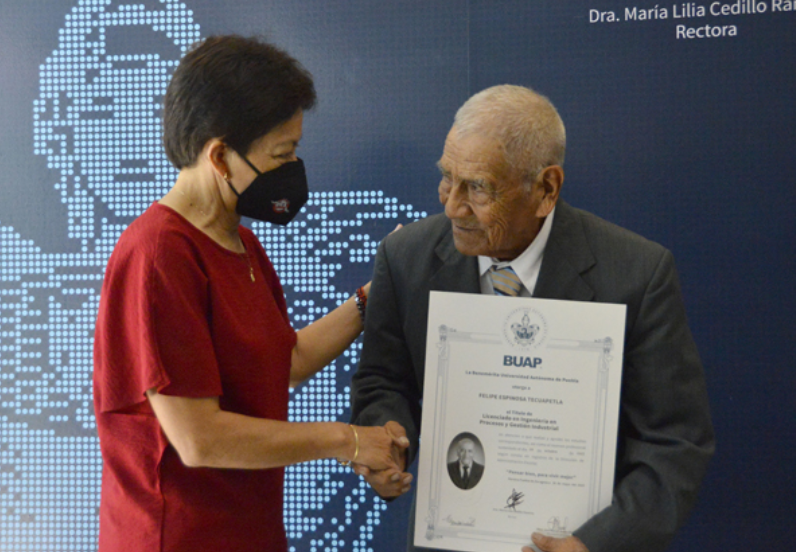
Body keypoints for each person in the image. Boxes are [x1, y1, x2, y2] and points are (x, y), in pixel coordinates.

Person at [350, 85, 715, 552]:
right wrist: (389, 442)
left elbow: (675, 444)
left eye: (478, 187)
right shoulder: (404, 257)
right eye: (447, 178)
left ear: (546, 189)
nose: (452, 205)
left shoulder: (637, 274)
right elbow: (382, 381)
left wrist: (594, 545)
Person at [92, 35, 404, 552]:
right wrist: (345, 440)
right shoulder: (159, 255)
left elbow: (285, 363)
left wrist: (375, 296)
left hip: (249, 532)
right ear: (219, 155)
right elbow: (199, 439)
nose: (293, 168)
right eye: (282, 154)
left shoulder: (241, 242)